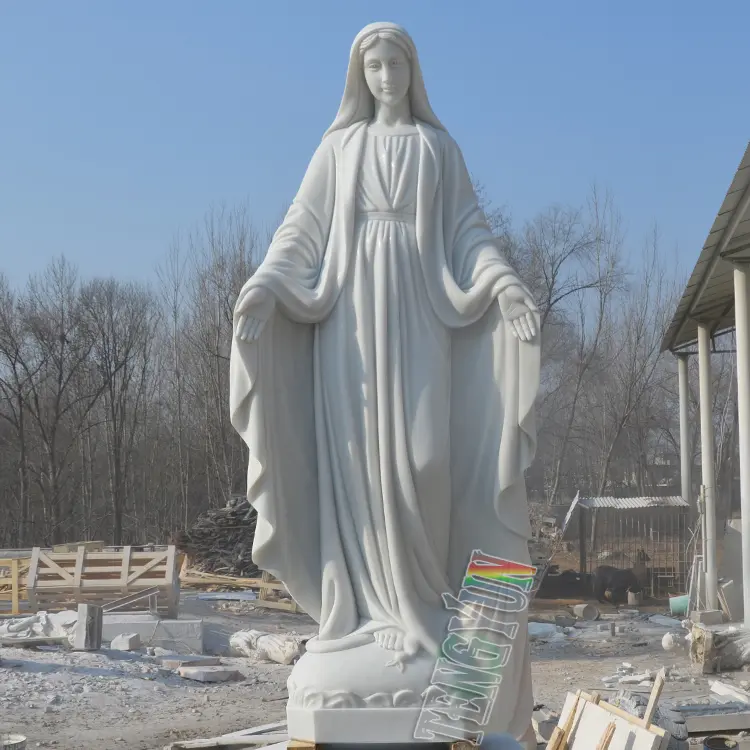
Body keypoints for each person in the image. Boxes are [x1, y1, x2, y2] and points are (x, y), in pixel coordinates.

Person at [230, 22, 540, 745]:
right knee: (360, 470)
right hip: (349, 327)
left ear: (412, 70)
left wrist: (502, 283)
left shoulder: (437, 148)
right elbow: (300, 232)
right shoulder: (339, 149)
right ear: (359, 75)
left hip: (423, 314)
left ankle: (427, 614)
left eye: (395, 63)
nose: (385, 76)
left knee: (427, 459)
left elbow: (469, 233)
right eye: (373, 66)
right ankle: (368, 620)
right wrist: (267, 285)